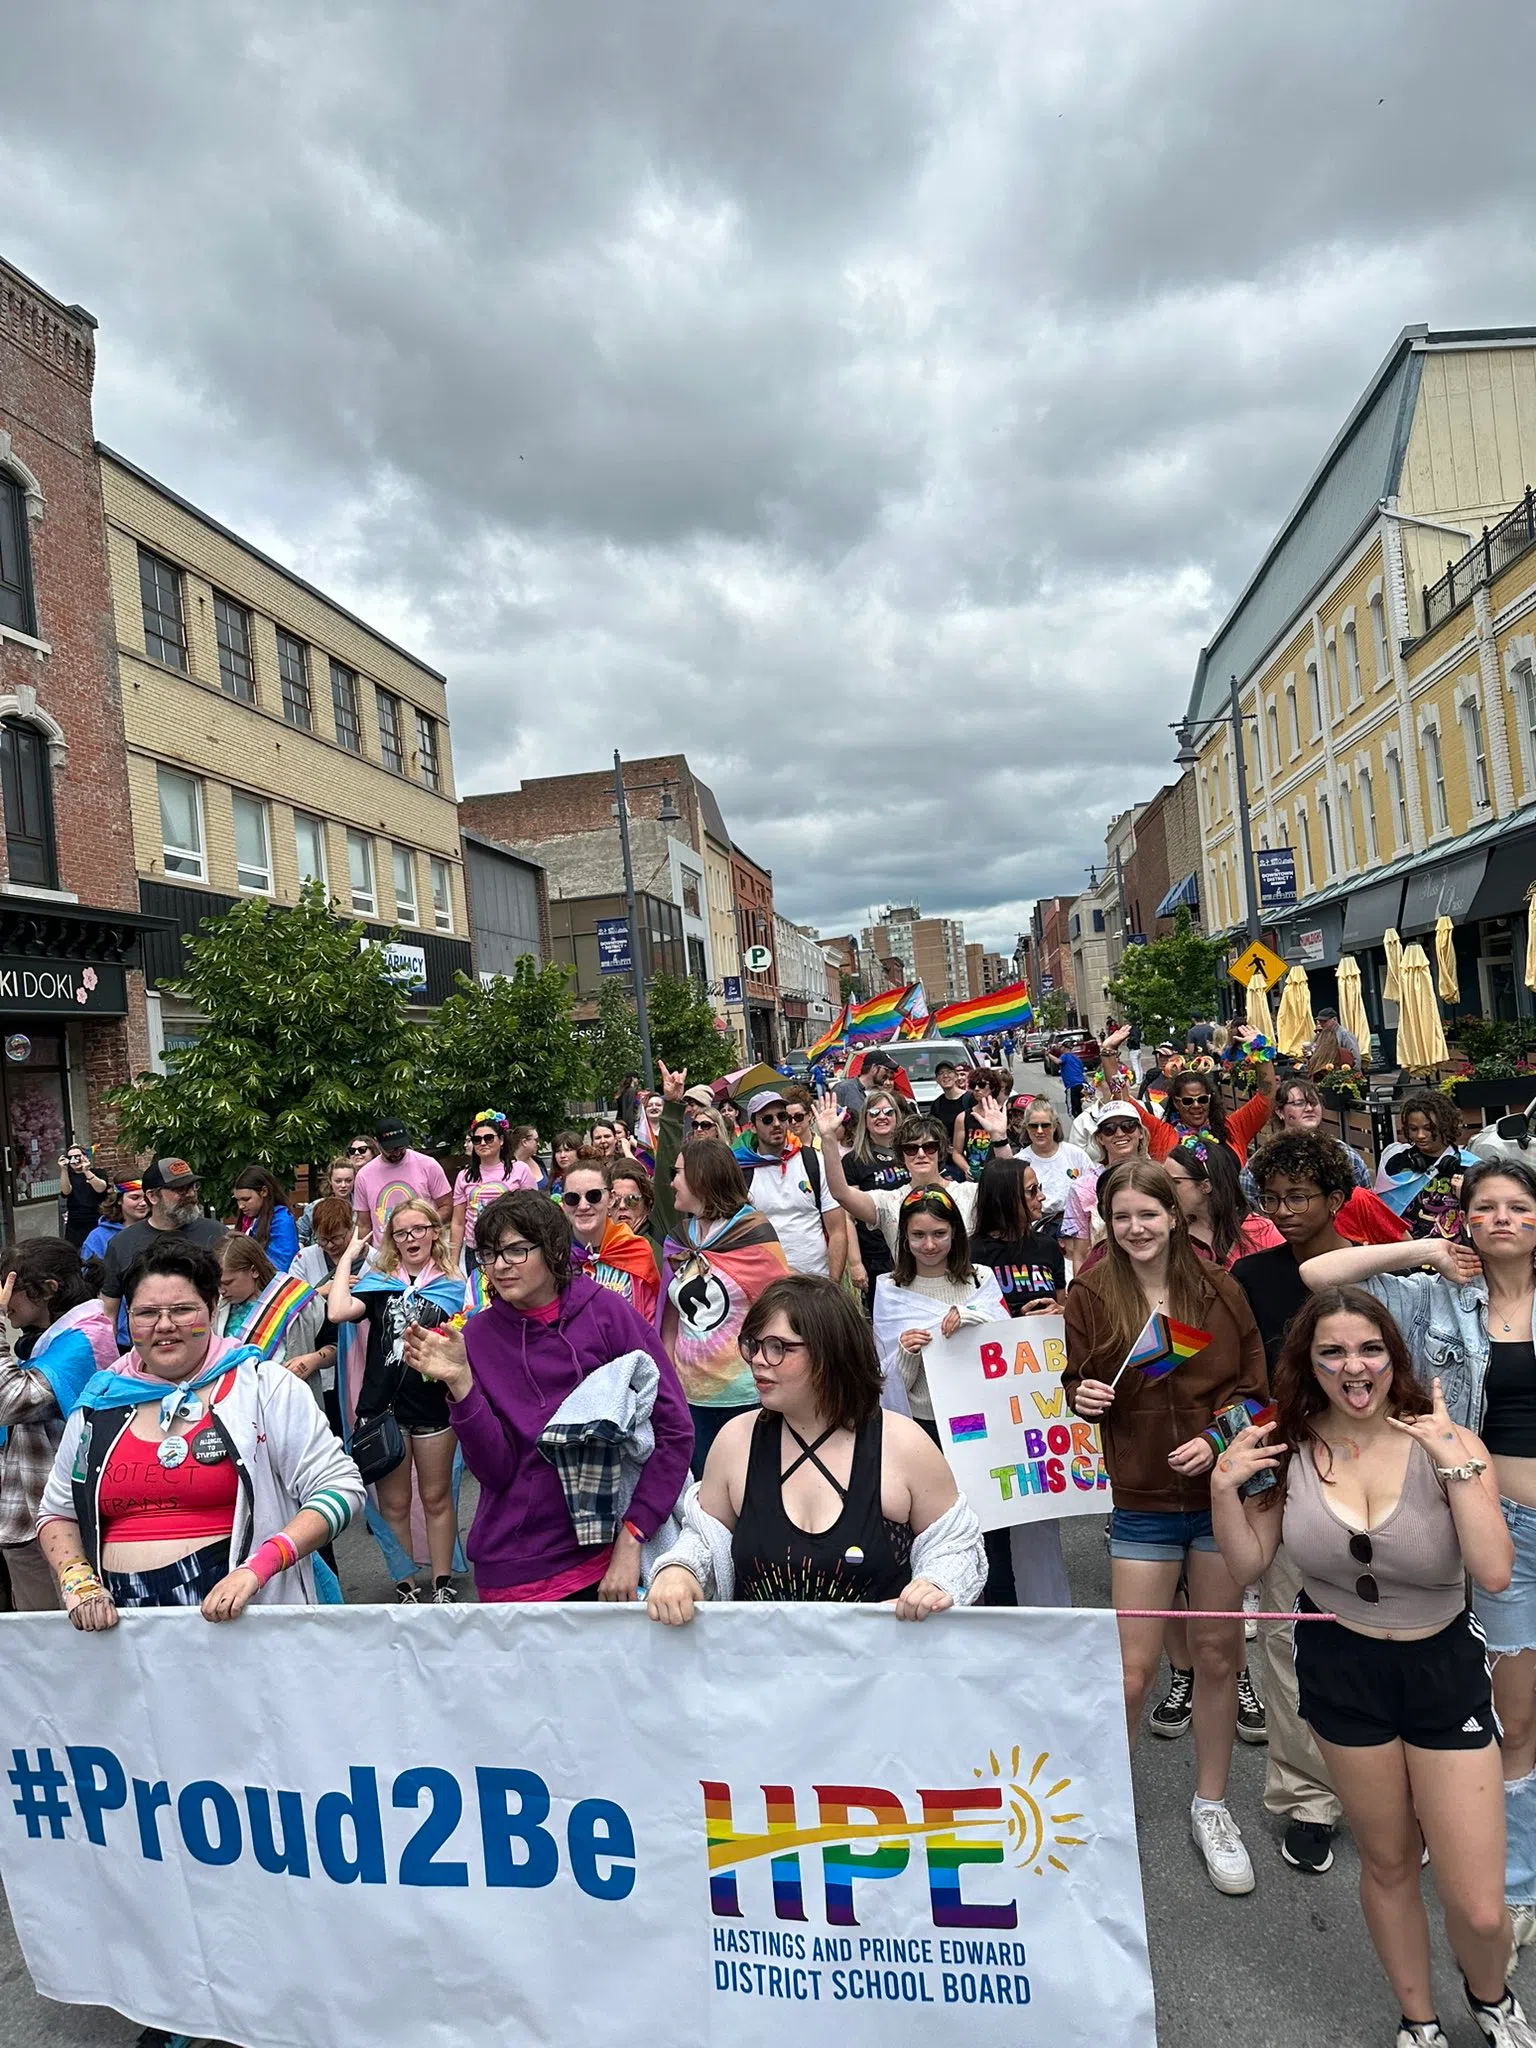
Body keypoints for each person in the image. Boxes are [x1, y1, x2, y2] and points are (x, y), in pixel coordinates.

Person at [1210, 1290, 1528, 2048]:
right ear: (1309, 1364)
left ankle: (1491, 1997)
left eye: (1369, 1350)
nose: (1354, 1367)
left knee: (1479, 1906)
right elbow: (1250, 1561)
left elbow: (1492, 1571)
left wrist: (1456, 1466)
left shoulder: (1447, 1441)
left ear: (1394, 1356)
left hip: (1440, 1666)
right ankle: (1418, 2020)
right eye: (1333, 1352)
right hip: (1340, 1664)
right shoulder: (1285, 1448)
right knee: (1387, 1863)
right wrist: (1224, 1489)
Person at [1301, 1157, 1536, 1964]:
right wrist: (1418, 1252)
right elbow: (1318, 1272)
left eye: (1520, 1207)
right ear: (1463, 1220)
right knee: (1514, 1716)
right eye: (1487, 1208)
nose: (1503, 1219)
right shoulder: (1435, 1295)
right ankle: (1514, 1884)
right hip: (1480, 1522)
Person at [1063, 1158, 1267, 1895]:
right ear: (1106, 1224)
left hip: (1216, 1500)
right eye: (1121, 1218)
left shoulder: (1219, 1290)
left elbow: (1257, 1394)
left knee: (1217, 1656)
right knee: (1130, 1672)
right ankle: (1101, 1811)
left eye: (1148, 1214)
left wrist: (1216, 1442)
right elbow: (1077, 1383)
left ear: (1174, 1217)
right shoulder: (1089, 1292)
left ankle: (1211, 1806)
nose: (1136, 1229)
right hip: (1142, 1500)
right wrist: (1081, 1395)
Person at [37, 1237, 364, 1622]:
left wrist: (260, 1567)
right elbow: (56, 1511)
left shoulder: (262, 1387)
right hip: (125, 1634)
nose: (164, 1325)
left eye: (182, 1310)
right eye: (146, 1313)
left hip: (247, 1620)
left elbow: (340, 1489)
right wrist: (77, 1580)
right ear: (127, 1319)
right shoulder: (100, 1403)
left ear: (212, 1309)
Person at [405, 1190, 692, 1603]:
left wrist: (634, 1536)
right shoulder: (477, 1338)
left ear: (555, 1249)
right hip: (510, 1565)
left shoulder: (607, 1313)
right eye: (489, 1253)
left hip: (603, 1557)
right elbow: (496, 1472)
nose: (500, 1265)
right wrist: (460, 1383)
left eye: (517, 1250)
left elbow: (675, 1430)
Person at [646, 1275, 986, 1619]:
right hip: (758, 1666)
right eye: (754, 1344)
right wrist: (681, 1569)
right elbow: (705, 1538)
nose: (759, 1360)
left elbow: (955, 1545)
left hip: (878, 1667)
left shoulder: (904, 1445)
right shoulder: (736, 1440)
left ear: (831, 1352)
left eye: (779, 1347)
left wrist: (937, 1583)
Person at [1220, 1132, 1363, 1875]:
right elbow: (1226, 1368)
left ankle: (1394, 1792)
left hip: (1373, 1473)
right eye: (1272, 1199)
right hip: (1283, 1471)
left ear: (1336, 1199)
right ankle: (1306, 1797)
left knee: (1384, 1633)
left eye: (1299, 1196)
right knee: (1283, 1639)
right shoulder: (1248, 1273)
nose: (1284, 1211)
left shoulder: (1377, 1269)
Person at [328, 1199, 468, 1603]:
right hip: (383, 1410)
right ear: (392, 1239)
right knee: (395, 1504)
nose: (411, 1239)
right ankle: (405, 1583)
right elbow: (337, 1311)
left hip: (432, 1407)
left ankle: (442, 1582)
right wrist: (349, 1260)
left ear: (433, 1232)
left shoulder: (452, 1285)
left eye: (419, 1229)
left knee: (437, 1497)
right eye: (402, 1232)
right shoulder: (378, 1284)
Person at [657, 1129, 790, 1476]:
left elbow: (783, 1311)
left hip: (747, 1394)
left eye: (678, 1173)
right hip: (691, 1397)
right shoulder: (679, 1241)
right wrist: (670, 1377)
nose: (672, 1183)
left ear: (702, 1178)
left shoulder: (752, 1234)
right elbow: (670, 1317)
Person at [0, 1242, 118, 1609]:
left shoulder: (85, 1339)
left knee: (58, 1643)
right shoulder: (55, 1338)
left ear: (48, 1289)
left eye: (7, 1286)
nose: (3, 1298)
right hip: (26, 1516)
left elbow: (10, 1400)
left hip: (58, 1521)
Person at [871, 1187, 1008, 1424]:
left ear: (954, 1232)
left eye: (939, 1233)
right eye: (918, 1235)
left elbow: (1009, 1346)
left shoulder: (980, 1280)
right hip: (923, 1421)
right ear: (904, 1235)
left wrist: (972, 1317)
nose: (929, 1245)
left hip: (980, 1414)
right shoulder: (891, 1290)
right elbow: (888, 1385)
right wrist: (906, 1353)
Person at [98, 1157, 226, 1324]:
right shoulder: (123, 1243)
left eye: (193, 1187)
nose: (191, 1194)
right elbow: (109, 1313)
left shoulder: (216, 1233)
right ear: (152, 1196)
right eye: (180, 1189)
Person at [1112, 1033, 1276, 1163]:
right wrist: (1108, 1053)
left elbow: (1266, 1097)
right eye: (1188, 1101)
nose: (1196, 1105)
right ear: (1176, 1103)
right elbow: (1124, 1102)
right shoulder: (1161, 1134)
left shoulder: (1232, 1129)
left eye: (1202, 1099)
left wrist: (1260, 1049)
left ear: (1210, 1099)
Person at [737, 1086, 844, 1281]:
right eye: (767, 1119)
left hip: (816, 1283)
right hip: (767, 1287)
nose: (777, 1124)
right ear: (752, 1126)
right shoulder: (742, 1171)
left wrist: (833, 1283)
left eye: (782, 1116)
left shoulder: (813, 1161)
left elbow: (837, 1229)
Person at [212, 1235, 327, 1385]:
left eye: (228, 1282)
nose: (221, 1290)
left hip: (287, 1396)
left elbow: (336, 1344)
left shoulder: (296, 1297)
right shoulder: (217, 1305)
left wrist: (315, 1360)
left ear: (254, 1271)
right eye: (217, 1284)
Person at [559, 1159, 661, 1322]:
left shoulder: (636, 1250)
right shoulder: (555, 1256)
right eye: (573, 1198)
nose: (583, 1206)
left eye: (594, 1196)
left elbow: (650, 1319)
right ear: (563, 1203)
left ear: (611, 1198)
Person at [289, 1194, 355, 1439]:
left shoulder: (371, 1257)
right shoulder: (305, 1258)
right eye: (322, 1239)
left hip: (357, 1348)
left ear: (350, 1228)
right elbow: (289, 1301)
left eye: (336, 1237)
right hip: (318, 1347)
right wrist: (321, 1291)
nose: (329, 1245)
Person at [842, 1086, 912, 1309]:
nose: (882, 1117)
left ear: (897, 1116)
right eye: (874, 1113)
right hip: (876, 1254)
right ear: (865, 1119)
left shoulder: (912, 1152)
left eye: (888, 1112)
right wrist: (855, 1263)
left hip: (915, 1250)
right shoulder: (853, 1161)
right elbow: (847, 1218)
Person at [969, 1156, 1066, 1316]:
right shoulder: (972, 1253)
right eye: (1032, 1190)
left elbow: (1061, 1302)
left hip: (1048, 1339)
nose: (1041, 1196)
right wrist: (1018, 1316)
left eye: (1039, 1188)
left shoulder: (1048, 1246)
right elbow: (971, 1314)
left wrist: (1061, 1311)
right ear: (1006, 1197)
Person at [1165, 1143, 1285, 1268]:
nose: (1166, 1188)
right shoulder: (1170, 1232)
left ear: (1205, 1186)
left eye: (1175, 1182)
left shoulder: (1262, 1231)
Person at [1060, 1103, 1147, 1272]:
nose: (1120, 1133)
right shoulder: (1083, 1187)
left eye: (1128, 1126)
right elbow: (1080, 1254)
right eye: (1109, 1129)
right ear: (1100, 1138)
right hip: (1104, 1278)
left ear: (1140, 1132)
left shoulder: (1160, 1177)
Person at [450, 1110, 534, 1274]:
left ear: (501, 1140)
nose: (483, 1143)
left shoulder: (520, 1170)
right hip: (475, 1251)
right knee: (478, 1298)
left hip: (510, 1248)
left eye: (489, 1138)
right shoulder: (464, 1176)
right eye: (477, 1139)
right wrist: (453, 1263)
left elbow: (532, 1212)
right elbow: (458, 1222)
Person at [352, 1117, 452, 1248]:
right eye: (391, 1149)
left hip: (424, 1247)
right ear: (377, 1144)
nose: (397, 1152)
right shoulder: (364, 1175)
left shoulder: (428, 1164)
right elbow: (364, 1224)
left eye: (401, 1147)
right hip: (385, 1252)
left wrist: (425, 1227)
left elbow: (447, 1206)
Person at [1016, 1101, 1094, 1237]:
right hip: (1036, 1231)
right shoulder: (1019, 1161)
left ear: (1054, 1126)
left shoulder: (1076, 1154)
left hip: (1076, 1228)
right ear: (1026, 1128)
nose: (1039, 1131)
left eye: (1045, 1125)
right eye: (1033, 1126)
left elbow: (1093, 1191)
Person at [1376, 1089, 1468, 1189]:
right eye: (1413, 1129)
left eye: (1428, 1129)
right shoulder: (1396, 1162)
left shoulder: (1468, 1167)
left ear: (1446, 1126)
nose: (1420, 1135)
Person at [231, 1164, 300, 1270]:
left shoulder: (282, 1221)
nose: (241, 1206)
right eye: (238, 1200)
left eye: (246, 1199)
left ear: (264, 1191)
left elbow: (282, 1265)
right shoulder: (248, 1219)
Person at [954, 1069, 1014, 1179]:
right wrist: (966, 1169)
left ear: (993, 1087)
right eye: (973, 1085)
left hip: (1000, 1176)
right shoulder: (963, 1117)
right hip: (975, 1177)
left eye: (981, 1085)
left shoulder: (1004, 1115)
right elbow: (956, 1152)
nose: (977, 1089)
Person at [81, 1178, 150, 1262]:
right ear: (119, 1200)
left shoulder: (161, 1228)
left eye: (146, 1198)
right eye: (135, 1198)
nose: (143, 1203)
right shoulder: (98, 1237)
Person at [296, 1157, 357, 1248]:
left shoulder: (361, 1208)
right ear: (330, 1180)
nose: (343, 1185)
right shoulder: (315, 1207)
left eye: (348, 1181)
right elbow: (299, 1235)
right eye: (338, 1181)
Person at [56, 1143, 108, 1248]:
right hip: (75, 1223)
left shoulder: (98, 1172)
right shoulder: (67, 1176)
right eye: (71, 1157)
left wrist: (86, 1171)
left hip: (97, 1218)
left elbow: (101, 1188)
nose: (75, 1160)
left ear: (85, 1156)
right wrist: (63, 1169)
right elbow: (66, 1192)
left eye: (78, 1156)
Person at [606, 1157, 654, 1244]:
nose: (622, 1206)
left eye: (632, 1199)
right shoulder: (595, 1248)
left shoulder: (653, 1250)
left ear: (647, 1205)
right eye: (615, 1200)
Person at [930, 1058, 972, 1156]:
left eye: (949, 1072)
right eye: (941, 1073)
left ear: (956, 1076)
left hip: (973, 1155)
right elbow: (935, 1132)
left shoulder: (970, 1099)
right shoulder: (937, 1105)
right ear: (937, 1079)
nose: (945, 1076)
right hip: (949, 1156)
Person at [1313, 1003, 1362, 1068]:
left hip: (1342, 1072)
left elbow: (1355, 1056)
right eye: (1320, 1021)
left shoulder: (1345, 1034)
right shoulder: (1320, 1034)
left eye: (1324, 1021)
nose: (1322, 1024)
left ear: (1335, 1020)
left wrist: (1354, 1074)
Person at [548, 1130, 584, 1200]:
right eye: (558, 1151)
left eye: (567, 1150)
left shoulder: (588, 1176)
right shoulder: (554, 1180)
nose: (562, 1155)